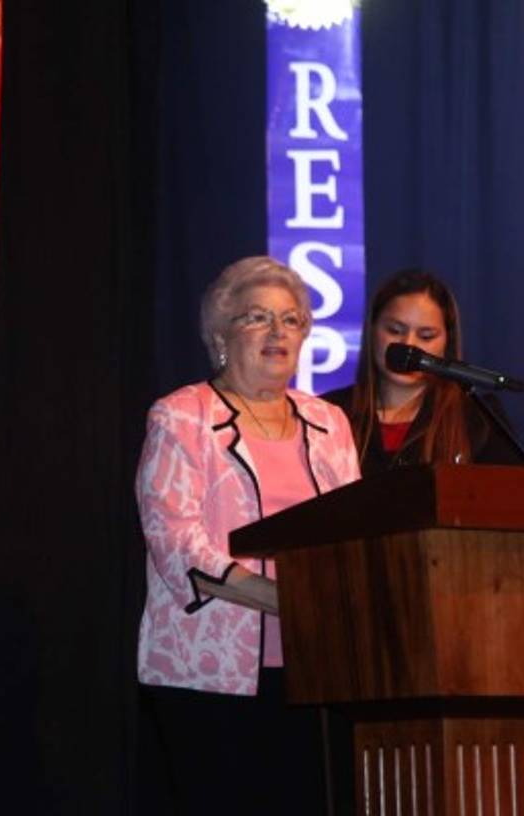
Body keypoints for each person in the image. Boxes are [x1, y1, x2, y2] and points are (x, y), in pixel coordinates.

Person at [135, 256, 361, 815]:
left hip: (317, 668)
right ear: (221, 335)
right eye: (257, 317)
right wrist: (284, 599)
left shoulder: (329, 423)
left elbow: (357, 528)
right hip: (209, 675)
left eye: (291, 320)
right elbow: (176, 543)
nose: (278, 332)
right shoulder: (181, 416)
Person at [325, 267, 524, 475]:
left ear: (446, 343)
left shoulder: (476, 418)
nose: (408, 344)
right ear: (372, 330)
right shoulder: (327, 414)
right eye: (395, 330)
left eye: (426, 336)